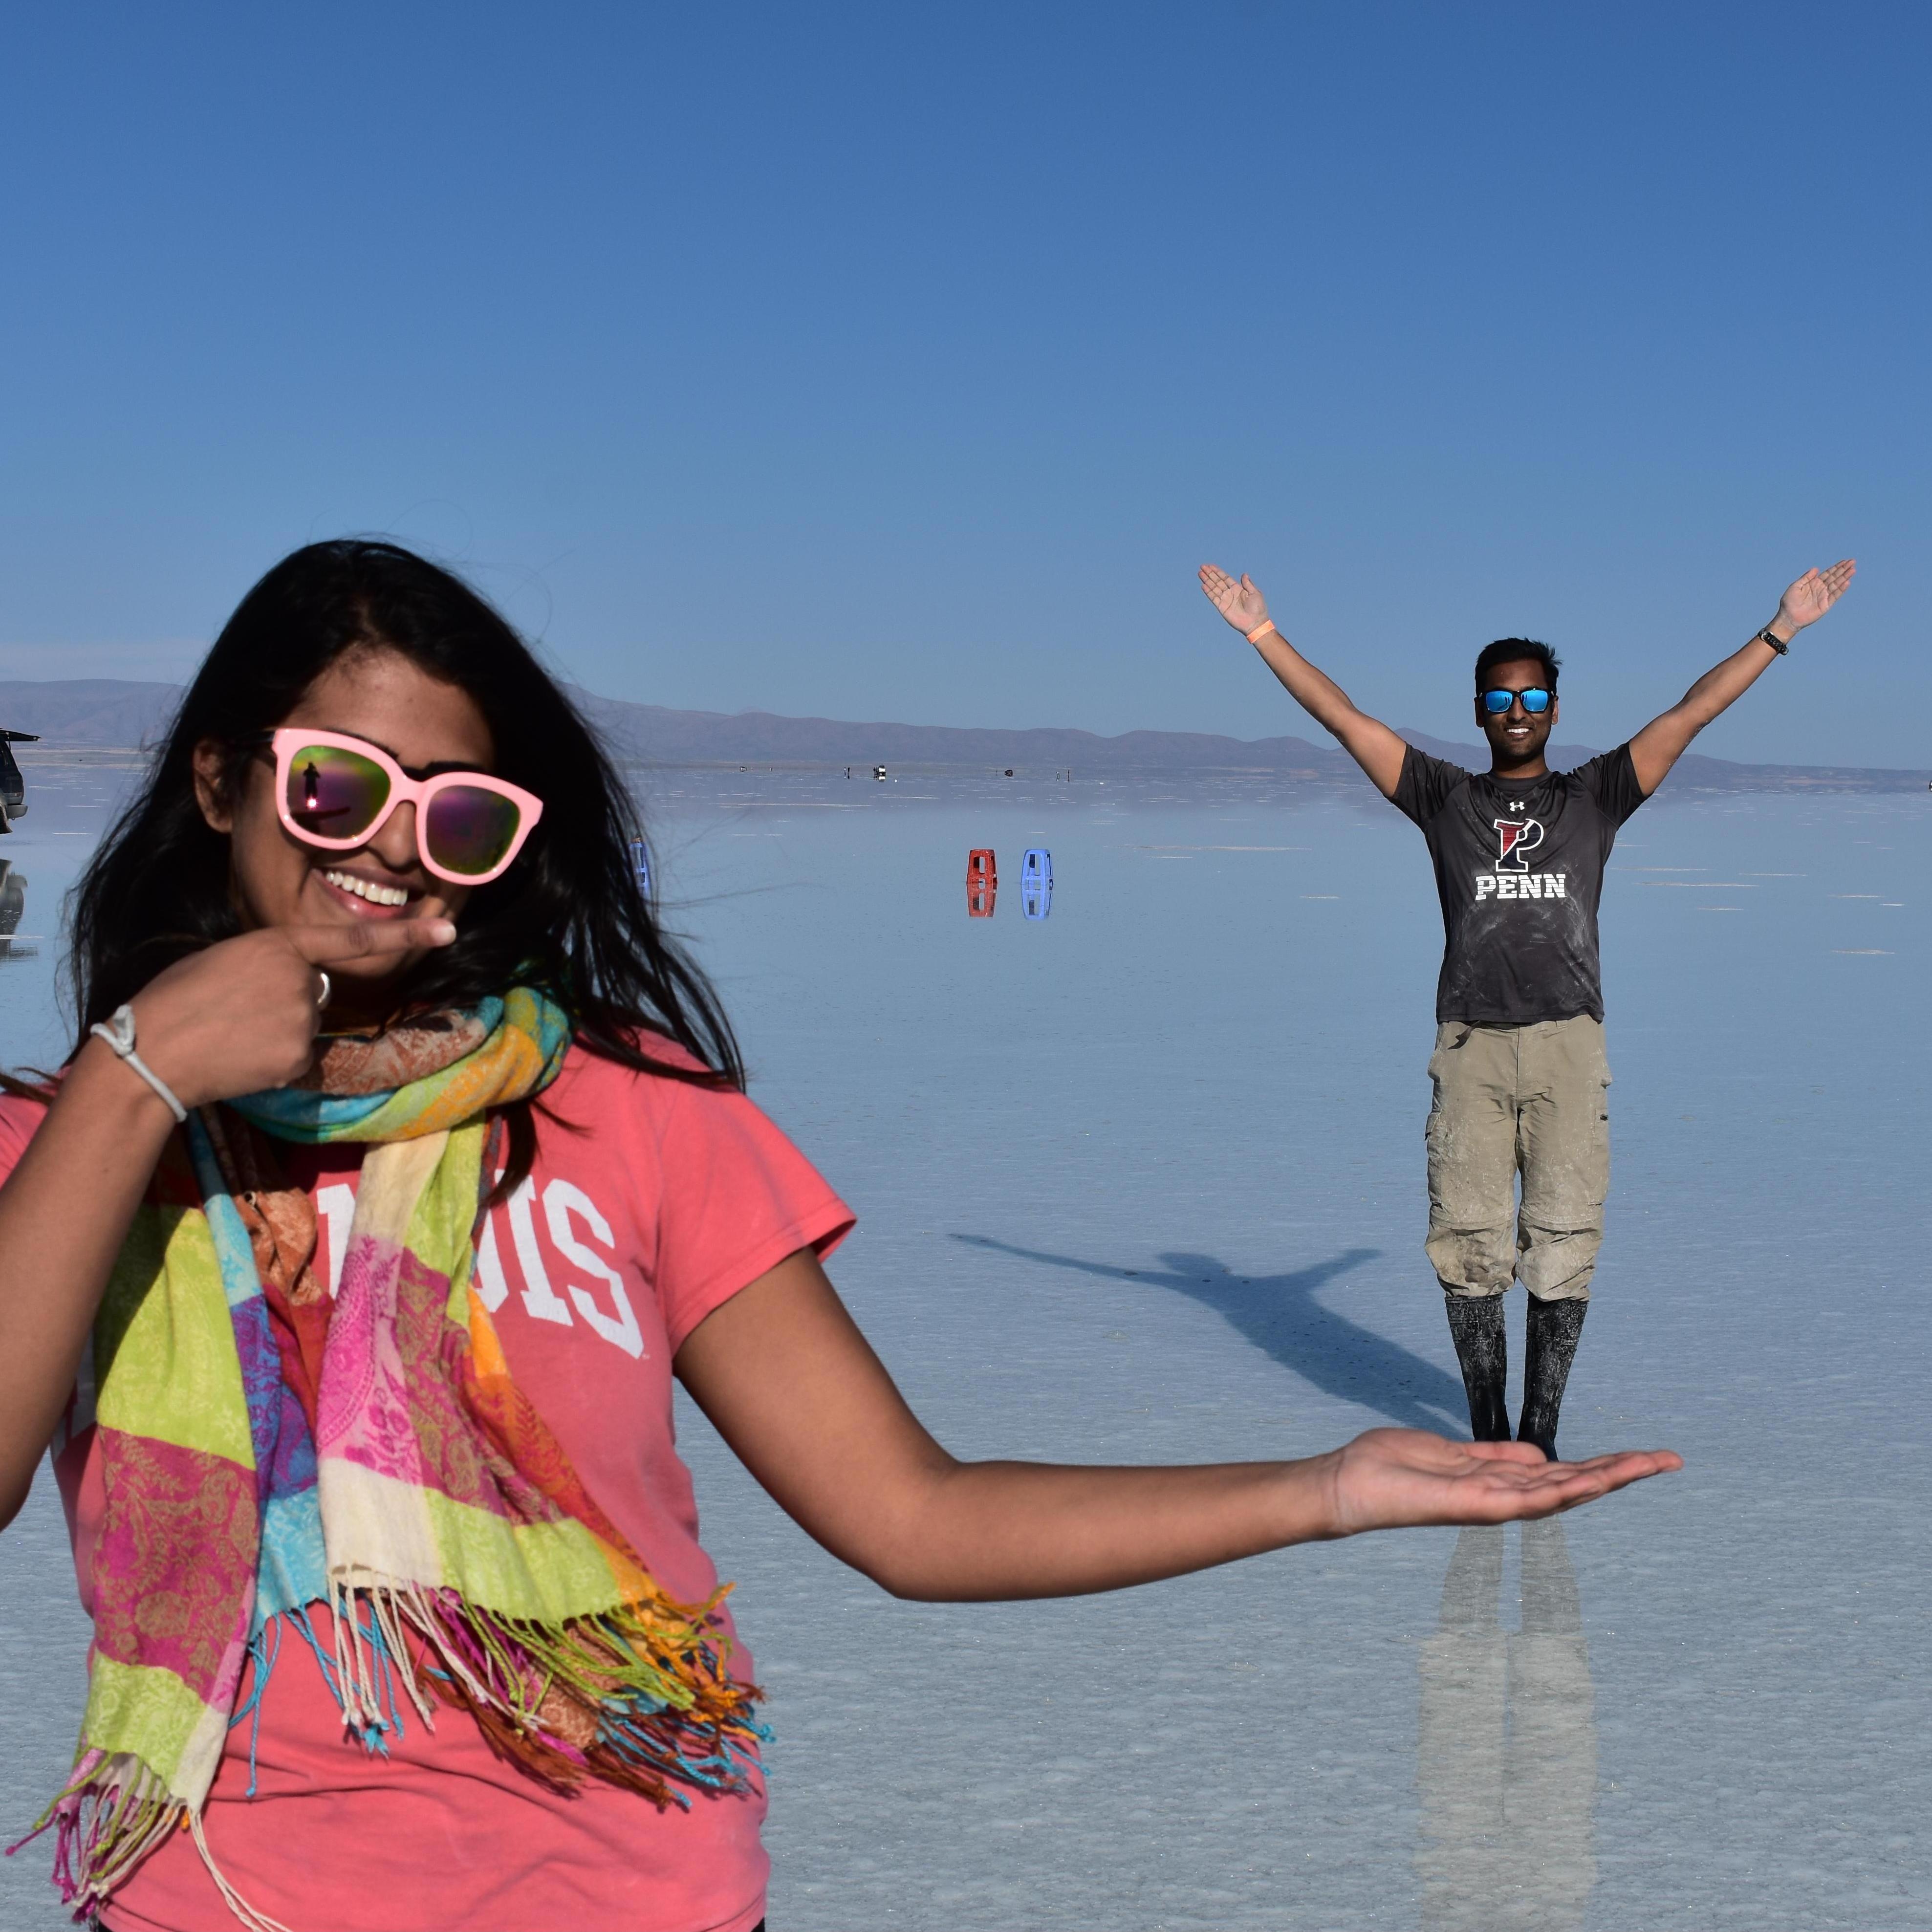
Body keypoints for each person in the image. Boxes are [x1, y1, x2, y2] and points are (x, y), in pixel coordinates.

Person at [0, 542, 1678, 1932]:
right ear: (222, 773)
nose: (388, 845)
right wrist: (133, 1075)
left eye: (457, 813)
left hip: (632, 1893)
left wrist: (1322, 1489)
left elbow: (909, 1514)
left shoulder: (630, 1112)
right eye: (336, 784)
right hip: (217, 1898)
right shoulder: (65, 1145)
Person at [1200, 556, 1855, 1458]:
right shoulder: (1444, 798)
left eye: (1533, 699)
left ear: (1554, 707)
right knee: (1468, 1246)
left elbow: (1691, 713)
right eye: (1500, 699)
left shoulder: (1595, 795)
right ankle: (1486, 1435)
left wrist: (1780, 628)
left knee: (1563, 1242)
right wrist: (1262, 632)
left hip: (1567, 1047)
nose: (1517, 713)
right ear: (1477, 710)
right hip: (1469, 1048)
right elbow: (1342, 718)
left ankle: (1538, 1439)